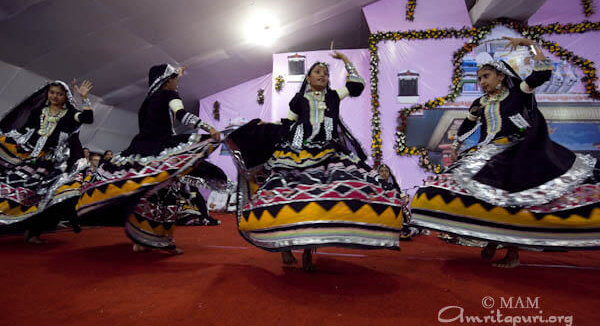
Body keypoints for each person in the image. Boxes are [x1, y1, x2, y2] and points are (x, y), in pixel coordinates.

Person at [411, 37, 600, 268]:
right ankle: (493, 237)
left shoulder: (517, 93)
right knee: (466, 191)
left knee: (511, 199)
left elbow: (541, 74)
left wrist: (530, 44)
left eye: (486, 76)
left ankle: (512, 251)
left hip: (515, 151)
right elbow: (467, 126)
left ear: (500, 76)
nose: (482, 82)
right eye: (479, 78)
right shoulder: (479, 103)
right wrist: (457, 144)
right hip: (487, 151)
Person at [226, 52, 405, 271]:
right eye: (318, 72)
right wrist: (265, 125)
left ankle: (310, 251)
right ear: (308, 78)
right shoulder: (298, 100)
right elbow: (287, 125)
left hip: (329, 154)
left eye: (326, 73)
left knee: (321, 200)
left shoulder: (334, 96)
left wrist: (346, 61)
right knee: (288, 197)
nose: (323, 75)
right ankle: (285, 248)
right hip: (297, 154)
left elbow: (357, 85)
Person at [76, 64, 224, 254]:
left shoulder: (146, 103)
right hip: (161, 149)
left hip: (139, 150)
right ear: (167, 80)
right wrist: (208, 127)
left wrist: (176, 74)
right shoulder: (170, 95)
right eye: (175, 80)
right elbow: (181, 115)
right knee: (167, 194)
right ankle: (164, 241)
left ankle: (141, 240)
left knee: (145, 194)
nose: (177, 84)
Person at [0, 80, 94, 243]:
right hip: (31, 159)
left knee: (49, 197)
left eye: (59, 94)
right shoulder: (39, 111)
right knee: (14, 189)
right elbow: (25, 131)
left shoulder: (71, 114)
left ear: (65, 96)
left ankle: (33, 232)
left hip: (53, 163)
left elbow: (88, 118)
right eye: (52, 93)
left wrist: (84, 98)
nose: (55, 96)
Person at [375, 164, 416, 240]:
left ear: (389, 174)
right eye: (381, 171)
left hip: (394, 208)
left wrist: (404, 199)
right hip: (380, 207)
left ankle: (403, 230)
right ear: (378, 173)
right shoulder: (375, 184)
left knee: (403, 208)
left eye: (386, 171)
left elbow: (400, 194)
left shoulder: (392, 185)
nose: (384, 173)